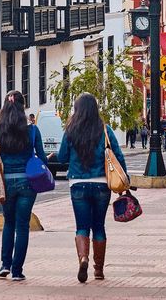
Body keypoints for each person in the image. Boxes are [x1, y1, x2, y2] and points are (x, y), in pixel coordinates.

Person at [57, 93, 127, 282]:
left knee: (81, 227)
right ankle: (99, 270)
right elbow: (118, 155)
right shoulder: (105, 130)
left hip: (78, 183)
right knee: (99, 226)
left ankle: (83, 258)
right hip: (102, 184)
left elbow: (62, 157)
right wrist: (125, 179)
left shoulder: (71, 130)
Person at [0, 90, 47, 282]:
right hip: (27, 183)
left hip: (5, 183)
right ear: (23, 106)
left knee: (8, 222)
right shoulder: (32, 130)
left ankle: (5, 264)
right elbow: (42, 157)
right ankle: (17, 271)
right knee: (22, 225)